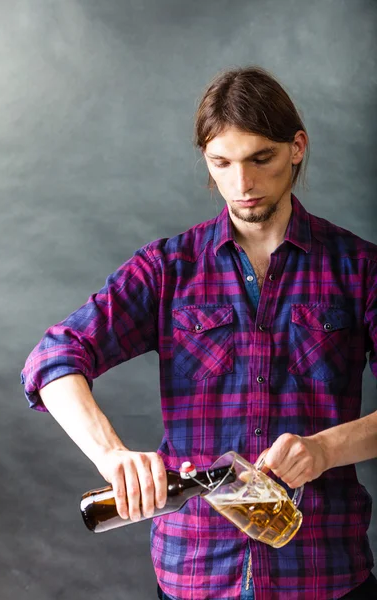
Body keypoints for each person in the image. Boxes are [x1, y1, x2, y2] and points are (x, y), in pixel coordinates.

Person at [21, 66, 377, 600]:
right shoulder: (168, 269)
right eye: (222, 163)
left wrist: (324, 449)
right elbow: (53, 358)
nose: (242, 184)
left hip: (323, 570)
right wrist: (111, 455)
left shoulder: (358, 268)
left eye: (261, 158)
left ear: (296, 147)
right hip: (196, 571)